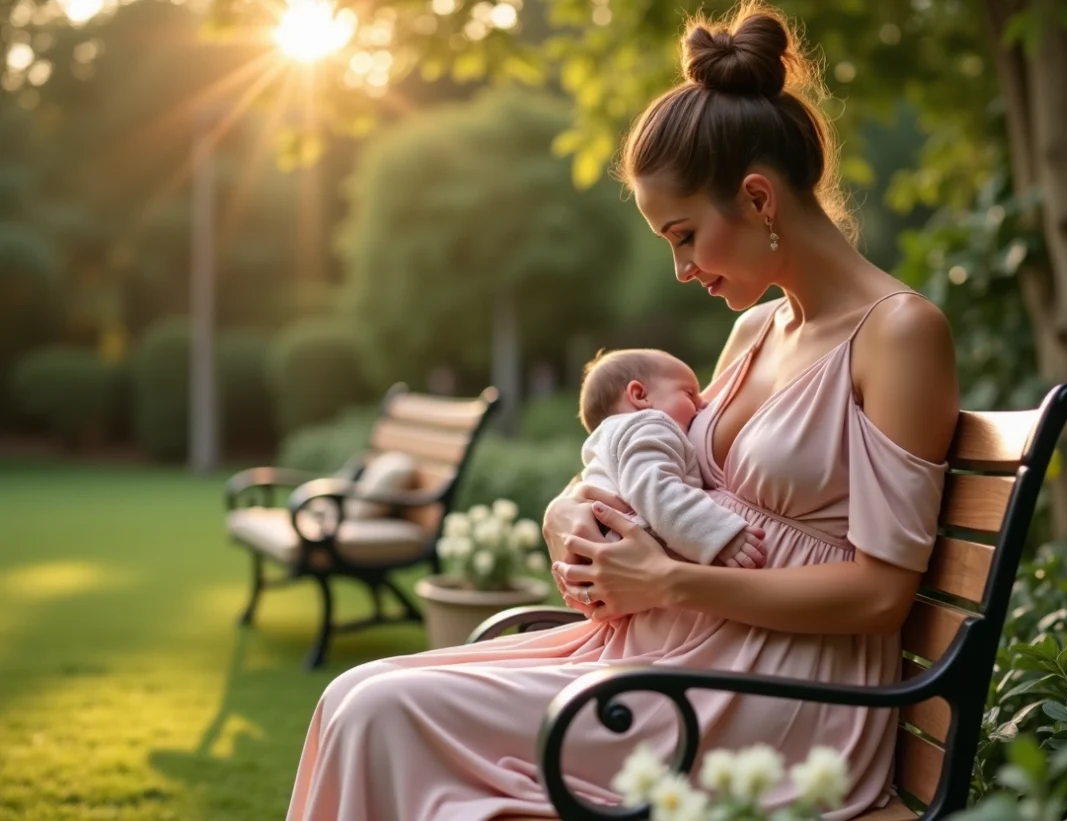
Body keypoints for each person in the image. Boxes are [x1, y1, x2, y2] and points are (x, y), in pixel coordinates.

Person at [285, 2, 959, 819]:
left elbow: (882, 595)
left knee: (381, 715)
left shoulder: (900, 335)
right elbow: (665, 469)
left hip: (775, 699)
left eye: (683, 235)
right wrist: (571, 511)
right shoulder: (756, 328)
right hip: (667, 650)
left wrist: (671, 577)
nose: (680, 269)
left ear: (757, 197)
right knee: (355, 695)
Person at [576, 347, 766, 570]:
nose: (703, 404)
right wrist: (719, 533)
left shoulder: (610, 440)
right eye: (689, 393)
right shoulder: (649, 425)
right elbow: (655, 489)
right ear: (640, 396)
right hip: (635, 555)